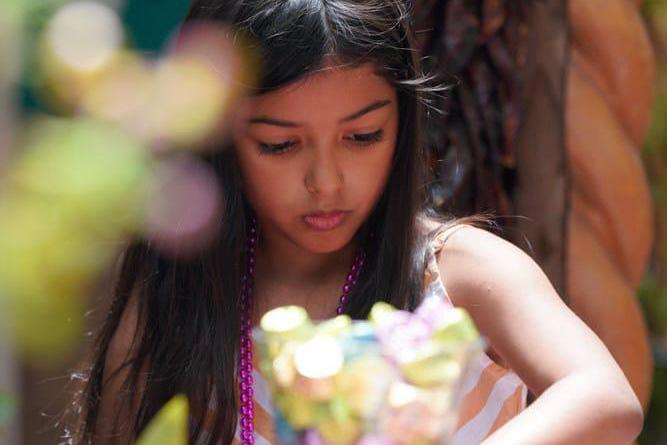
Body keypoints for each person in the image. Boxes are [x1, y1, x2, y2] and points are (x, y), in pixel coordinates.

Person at [69, 0, 644, 444]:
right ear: (218, 137)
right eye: (280, 145)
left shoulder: (455, 270)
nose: (327, 180)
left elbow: (606, 398)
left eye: (362, 137)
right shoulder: (181, 290)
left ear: (403, 123)